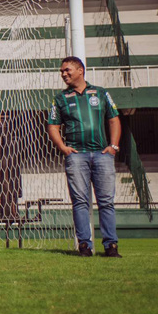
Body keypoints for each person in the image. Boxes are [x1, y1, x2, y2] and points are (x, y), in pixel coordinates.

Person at [46, 57, 122, 258]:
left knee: (106, 202)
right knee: (80, 202)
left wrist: (113, 146)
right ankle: (84, 246)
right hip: (76, 156)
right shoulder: (60, 99)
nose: (64, 74)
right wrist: (63, 148)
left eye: (67, 70)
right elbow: (53, 126)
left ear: (80, 70)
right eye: (62, 71)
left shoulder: (101, 93)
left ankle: (111, 246)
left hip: (102, 155)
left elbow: (114, 120)